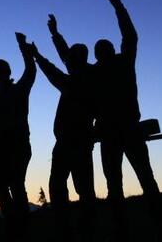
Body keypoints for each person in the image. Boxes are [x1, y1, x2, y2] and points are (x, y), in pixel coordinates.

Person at [93, 0, 162, 240]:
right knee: (145, 176)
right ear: (111, 50)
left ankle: (121, 227)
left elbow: (68, 62)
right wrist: (119, 8)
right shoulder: (123, 63)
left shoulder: (95, 73)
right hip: (128, 128)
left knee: (115, 183)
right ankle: (159, 221)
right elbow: (130, 36)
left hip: (109, 131)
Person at [30, 14, 96, 241]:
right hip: (78, 141)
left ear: (78, 61)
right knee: (79, 186)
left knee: (66, 186)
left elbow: (54, 69)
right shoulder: (87, 76)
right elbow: (63, 57)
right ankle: (81, 227)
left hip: (72, 141)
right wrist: (55, 34)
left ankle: (72, 228)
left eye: (72, 59)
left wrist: (38, 54)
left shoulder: (76, 82)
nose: (68, 61)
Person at [0, 32, 36, 240]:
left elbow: (30, 70)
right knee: (9, 185)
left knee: (8, 186)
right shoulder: (3, 94)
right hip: (9, 144)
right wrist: (23, 46)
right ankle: (17, 225)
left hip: (8, 144)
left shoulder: (10, 92)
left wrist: (23, 46)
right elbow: (31, 70)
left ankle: (17, 226)